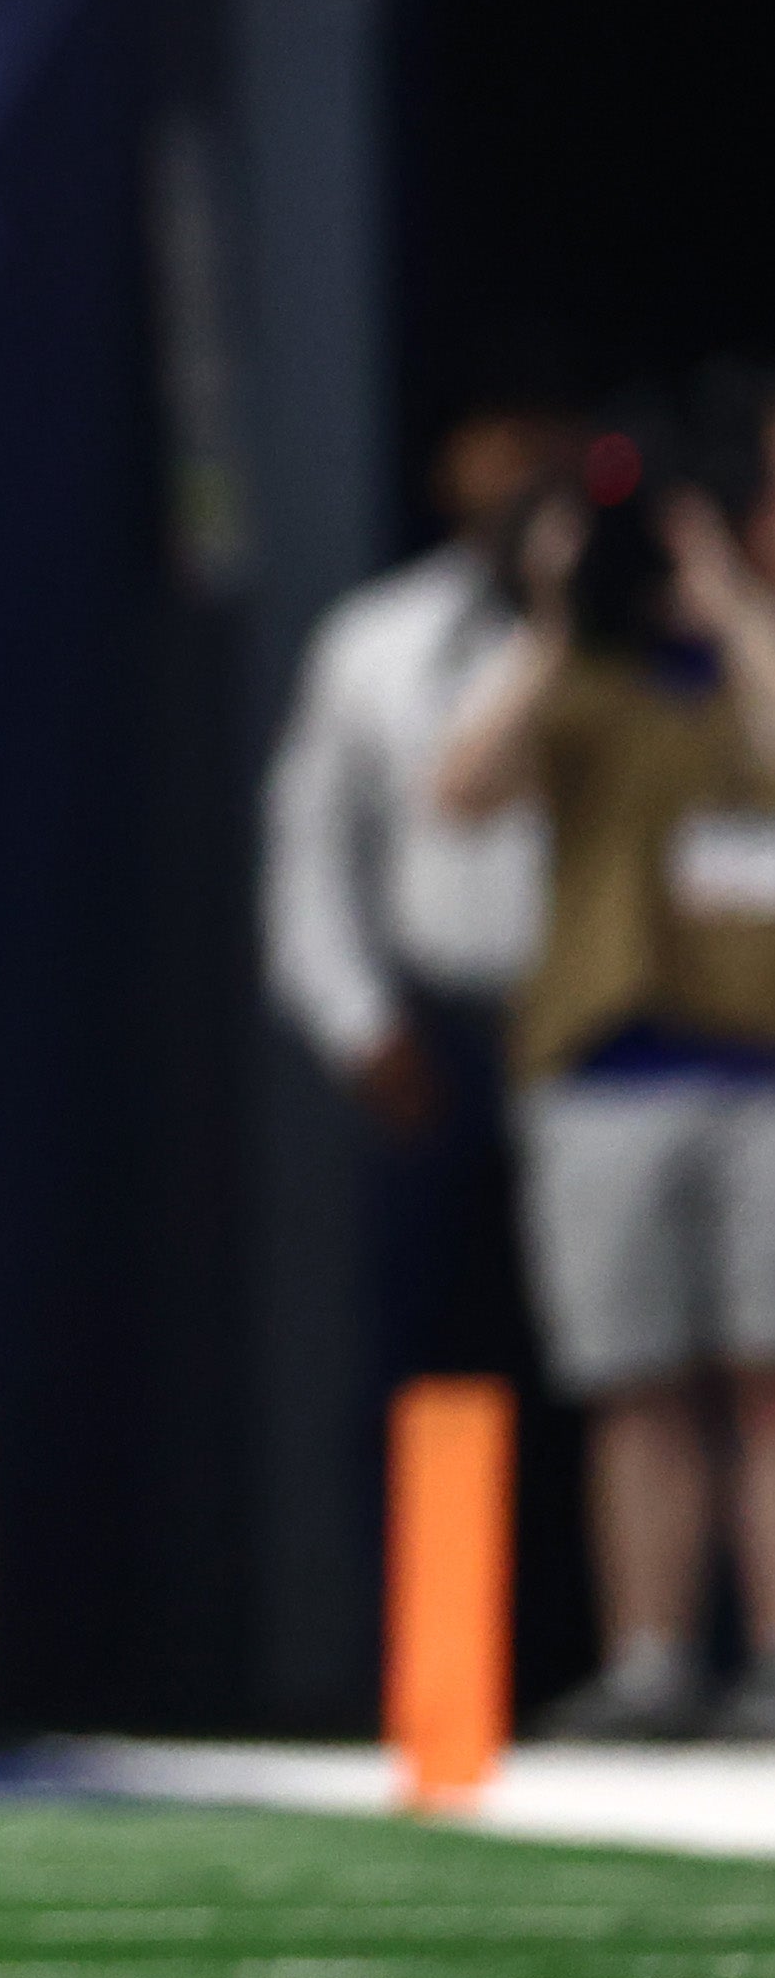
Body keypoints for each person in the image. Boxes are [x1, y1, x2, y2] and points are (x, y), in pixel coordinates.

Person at [427, 388, 775, 1742]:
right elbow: (458, 789)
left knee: (765, 1376)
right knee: (633, 1379)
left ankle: (765, 1663)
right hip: (605, 1067)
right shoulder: (580, 672)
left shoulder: (745, 656)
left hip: (757, 1063)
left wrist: (729, 605)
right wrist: (559, 617)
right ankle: (647, 1656)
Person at [265, 395, 571, 1511]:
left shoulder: (636, 634)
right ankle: (432, 1658)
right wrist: (360, 1026)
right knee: (431, 1348)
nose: (518, 472)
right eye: (496, 445)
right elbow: (310, 855)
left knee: (631, 1358)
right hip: (439, 1031)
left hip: (602, 1025)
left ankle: (659, 1660)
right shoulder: (374, 639)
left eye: (543, 446)